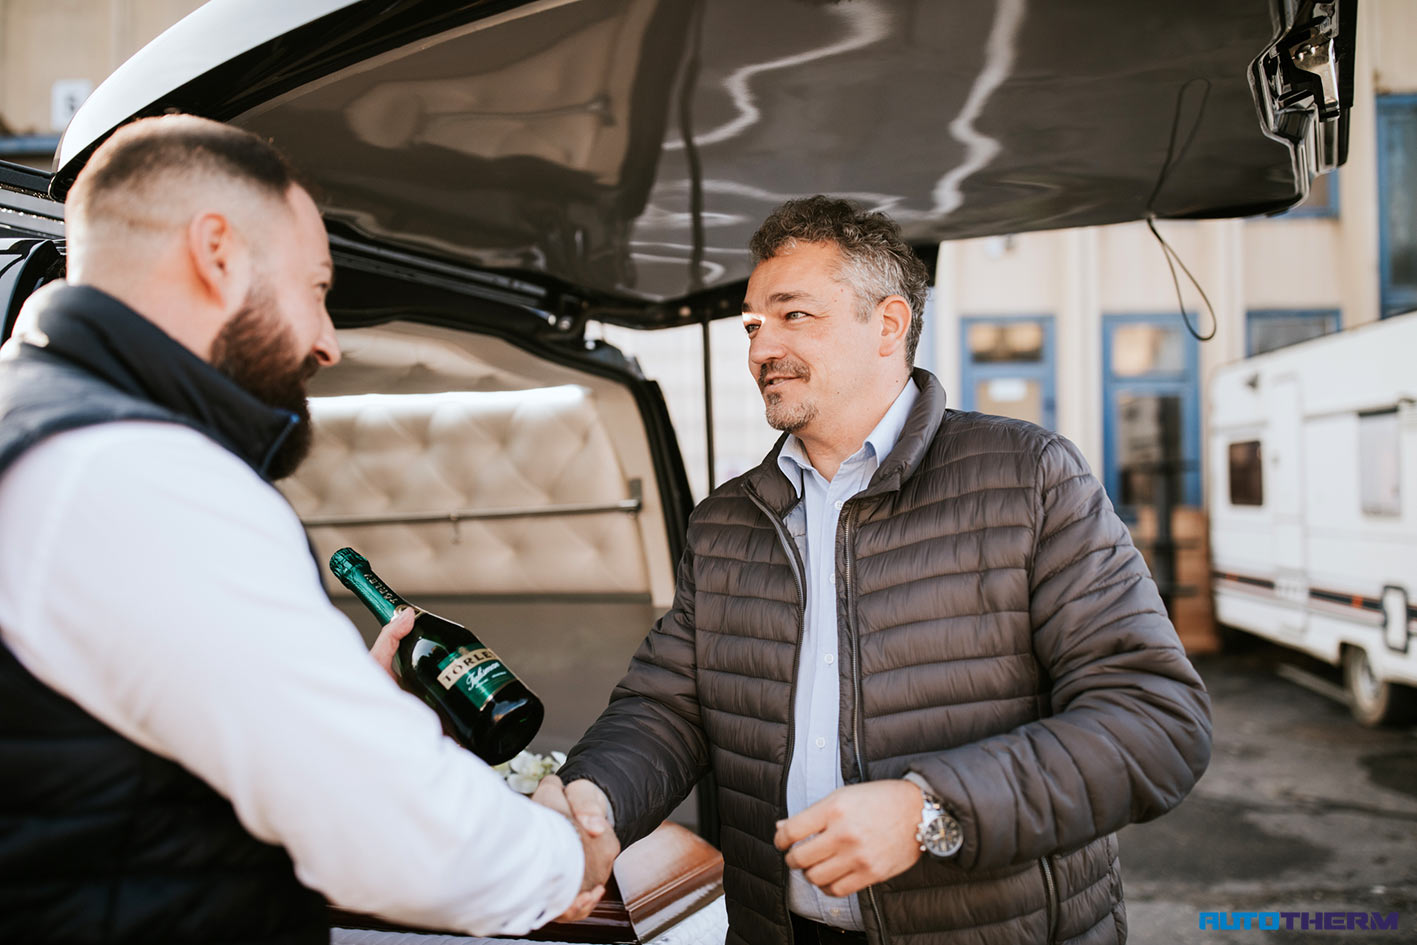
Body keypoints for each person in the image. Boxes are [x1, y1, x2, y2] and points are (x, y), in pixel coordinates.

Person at [527, 196, 1213, 945]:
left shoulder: (1030, 477)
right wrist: (591, 799)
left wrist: (931, 810)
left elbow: (1154, 721)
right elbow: (667, 707)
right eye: (753, 325)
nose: (760, 349)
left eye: (793, 315)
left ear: (888, 324)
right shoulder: (725, 521)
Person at [0, 115, 613, 945]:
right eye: (317, 288)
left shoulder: (38, 428)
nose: (327, 342)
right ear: (217, 252)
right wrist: (566, 858)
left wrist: (337, 697)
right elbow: (409, 840)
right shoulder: (138, 468)